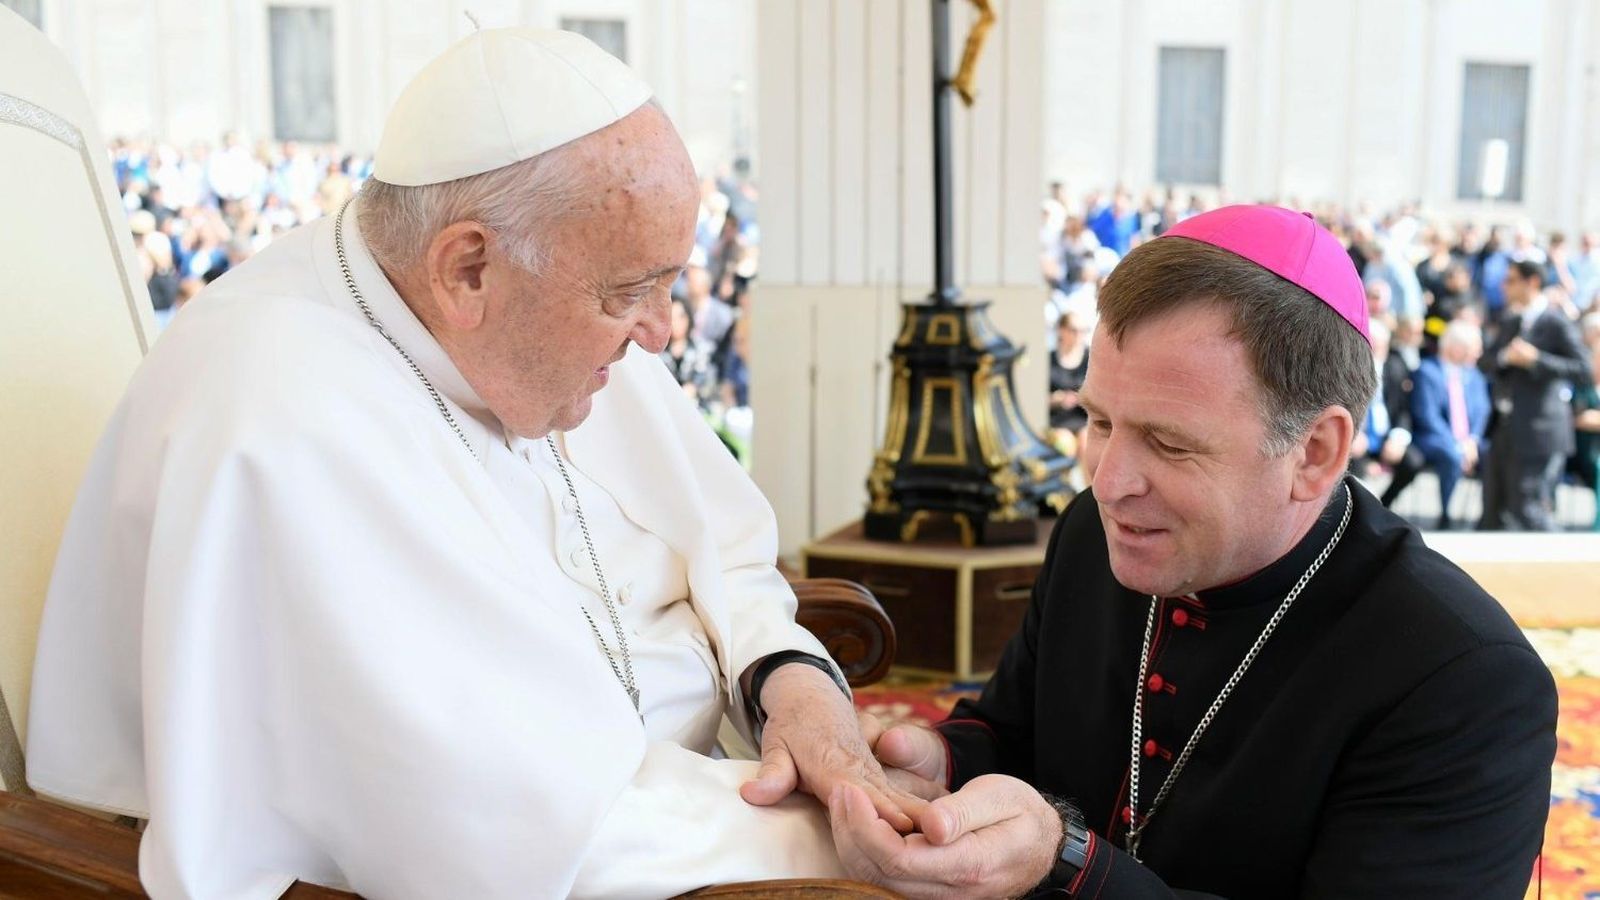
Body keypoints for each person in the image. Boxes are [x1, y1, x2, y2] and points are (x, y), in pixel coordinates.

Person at [26, 28, 919, 899]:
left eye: (668, 282)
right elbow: (522, 838)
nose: (661, 331)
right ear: (467, 270)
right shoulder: (283, 425)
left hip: (696, 799)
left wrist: (787, 679)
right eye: (630, 291)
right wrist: (859, 824)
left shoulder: (552, 324)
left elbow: (723, 554)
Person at [831, 205, 1556, 897]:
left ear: (1315, 452)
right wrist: (942, 763)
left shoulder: (1463, 682)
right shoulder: (1095, 532)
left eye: (1170, 443)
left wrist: (1068, 865)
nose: (1109, 482)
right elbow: (1015, 733)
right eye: (1099, 420)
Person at [1478, 260, 1593, 530]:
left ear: (1532, 282)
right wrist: (1507, 356)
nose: (1504, 286)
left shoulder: (1555, 322)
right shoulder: (1511, 321)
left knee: (1528, 507)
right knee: (1493, 510)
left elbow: (1583, 369)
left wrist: (1536, 359)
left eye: (1511, 280)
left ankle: (1566, 565)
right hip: (1505, 427)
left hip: (1539, 429)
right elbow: (1486, 362)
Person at [1408, 320, 1492, 527]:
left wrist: (1471, 440)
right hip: (1434, 438)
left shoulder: (1475, 376)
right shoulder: (1426, 372)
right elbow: (1427, 416)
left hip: (1469, 441)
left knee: (1495, 456)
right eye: (1474, 348)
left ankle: (1488, 518)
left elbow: (1482, 411)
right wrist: (1457, 445)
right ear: (1456, 347)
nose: (1479, 353)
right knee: (1452, 456)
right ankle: (1447, 514)